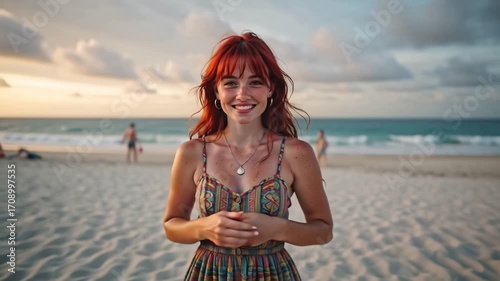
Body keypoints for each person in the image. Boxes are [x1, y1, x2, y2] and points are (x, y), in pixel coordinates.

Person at [162, 32, 333, 280]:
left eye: (255, 82)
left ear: (271, 88)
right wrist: (204, 227)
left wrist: (277, 228)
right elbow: (172, 227)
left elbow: (323, 232)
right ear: (216, 91)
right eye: (230, 83)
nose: (242, 94)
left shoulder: (296, 153)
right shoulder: (192, 153)